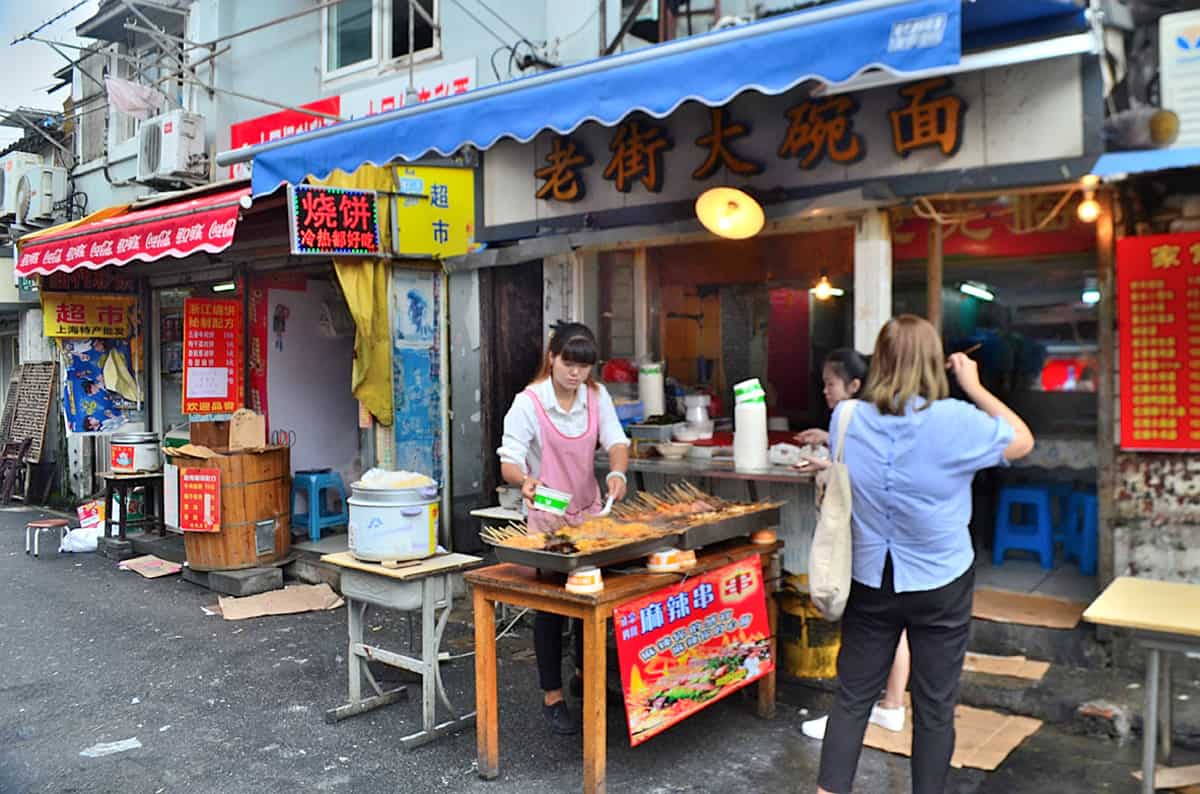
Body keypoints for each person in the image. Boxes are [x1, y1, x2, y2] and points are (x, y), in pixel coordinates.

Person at [814, 316, 1033, 794]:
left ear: (880, 362)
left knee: (851, 698)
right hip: (941, 581)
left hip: (872, 577)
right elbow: (1022, 438)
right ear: (934, 363)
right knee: (935, 707)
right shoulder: (956, 420)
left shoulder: (846, 417)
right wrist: (974, 386)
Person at [497, 321, 630, 736]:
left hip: (589, 512)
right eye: (569, 364)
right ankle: (552, 695)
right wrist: (524, 481)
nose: (576, 374)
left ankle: (584, 677)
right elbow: (509, 460)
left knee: (590, 603)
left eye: (584, 366)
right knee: (552, 609)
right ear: (552, 358)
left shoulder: (595, 395)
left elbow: (616, 440)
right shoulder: (529, 403)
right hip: (550, 516)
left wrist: (620, 474)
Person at [794, 348, 910, 740]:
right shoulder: (886, 416)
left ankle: (848, 717)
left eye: (830, 383)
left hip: (873, 540)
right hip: (898, 542)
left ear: (855, 385)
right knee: (897, 626)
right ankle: (892, 705)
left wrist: (827, 465)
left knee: (865, 632)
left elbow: (861, 474)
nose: (825, 391)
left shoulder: (853, 415)